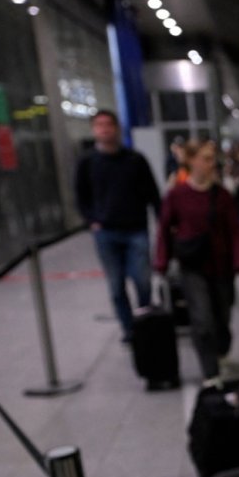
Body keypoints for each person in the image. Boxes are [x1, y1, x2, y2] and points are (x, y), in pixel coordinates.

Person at [154, 139, 239, 383]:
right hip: (192, 266)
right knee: (202, 319)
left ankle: (221, 350)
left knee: (223, 315)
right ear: (191, 161)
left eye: (212, 158)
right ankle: (211, 372)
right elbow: (165, 229)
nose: (212, 163)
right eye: (206, 158)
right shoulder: (177, 195)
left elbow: (235, 230)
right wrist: (162, 261)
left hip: (222, 265)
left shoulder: (222, 196)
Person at [75, 110, 162, 342]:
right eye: (99, 125)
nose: (104, 129)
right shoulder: (87, 162)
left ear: (116, 128)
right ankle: (129, 329)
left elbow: (153, 193)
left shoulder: (135, 159)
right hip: (105, 231)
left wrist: (163, 220)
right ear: (94, 130)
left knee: (143, 280)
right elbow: (81, 196)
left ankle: (145, 322)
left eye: (108, 124)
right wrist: (91, 220)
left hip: (136, 229)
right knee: (116, 286)